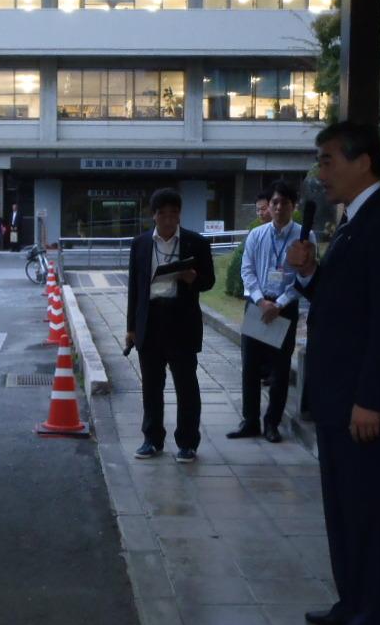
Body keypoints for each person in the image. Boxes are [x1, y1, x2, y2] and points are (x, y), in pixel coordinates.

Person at [287, 122, 380, 625]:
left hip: (364, 401)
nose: (321, 173)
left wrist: (371, 398)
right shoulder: (350, 223)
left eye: (326, 161)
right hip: (336, 395)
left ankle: (373, 622)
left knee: (366, 510)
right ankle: (351, 601)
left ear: (362, 161)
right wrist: (310, 270)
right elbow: (340, 304)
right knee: (342, 507)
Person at [126, 188, 216, 463]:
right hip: (150, 320)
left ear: (179, 214)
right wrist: (130, 328)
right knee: (151, 386)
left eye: (173, 213)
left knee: (186, 385)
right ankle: (152, 439)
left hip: (181, 321)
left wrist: (192, 278)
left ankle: (187, 442)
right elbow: (134, 288)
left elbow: (209, 281)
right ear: (153, 215)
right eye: (162, 213)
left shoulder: (195, 243)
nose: (168, 219)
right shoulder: (140, 244)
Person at [230, 180, 315, 443]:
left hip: (284, 308)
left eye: (284, 203)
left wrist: (278, 304)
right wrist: (260, 301)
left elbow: (305, 277)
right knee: (250, 368)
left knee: (279, 370)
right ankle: (250, 421)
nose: (278, 208)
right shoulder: (257, 234)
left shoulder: (305, 236)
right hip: (257, 305)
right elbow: (247, 270)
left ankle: (272, 423)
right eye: (274, 203)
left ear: (294, 206)